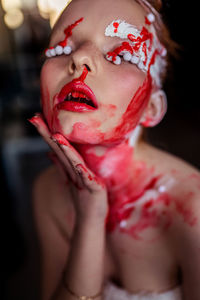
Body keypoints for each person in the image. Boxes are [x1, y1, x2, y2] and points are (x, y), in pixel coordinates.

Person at [29, 0, 200, 299]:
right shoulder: (47, 192)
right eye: (61, 50)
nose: (80, 57)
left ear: (152, 106)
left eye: (121, 56)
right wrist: (90, 219)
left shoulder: (192, 209)